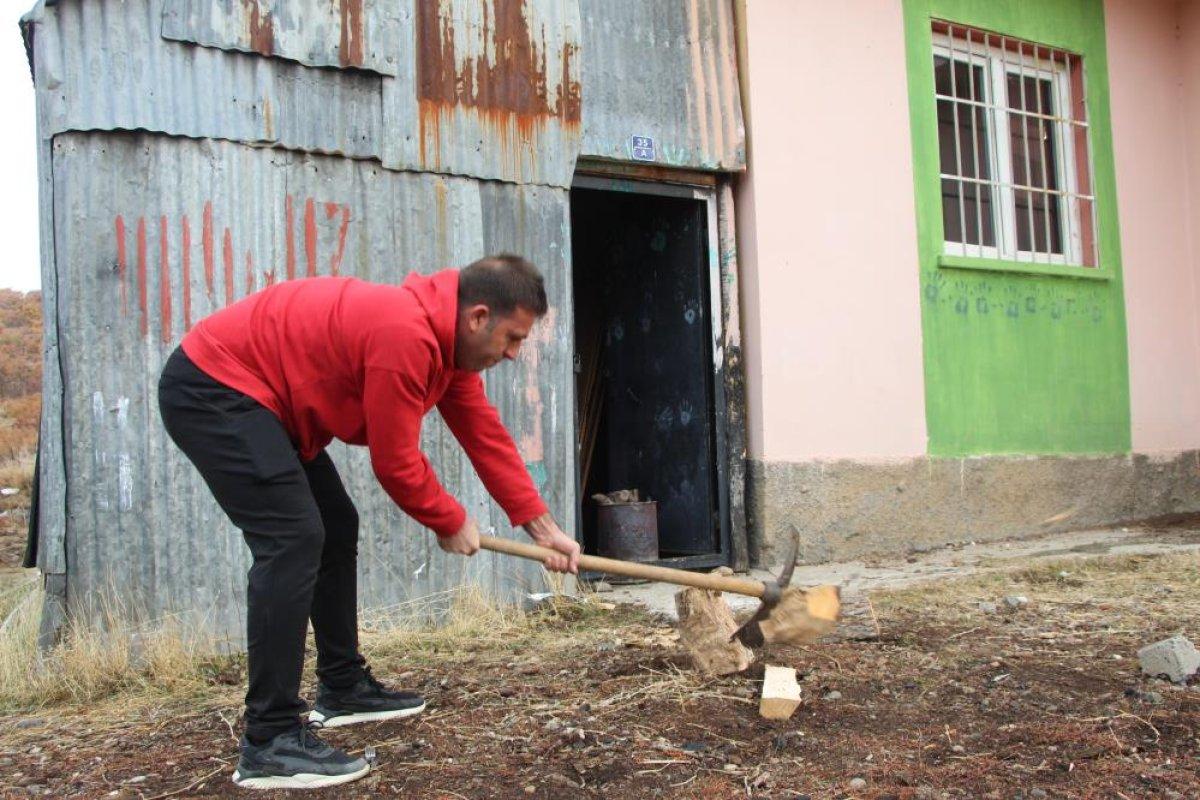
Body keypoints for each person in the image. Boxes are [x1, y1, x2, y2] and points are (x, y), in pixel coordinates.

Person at [157, 254, 581, 790]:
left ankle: (342, 687)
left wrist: (544, 532)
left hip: (265, 403)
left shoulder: (448, 349)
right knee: (292, 538)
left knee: (334, 524)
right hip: (215, 389)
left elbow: (485, 436)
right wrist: (448, 519)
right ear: (477, 317)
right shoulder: (404, 335)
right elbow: (396, 462)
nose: (515, 353)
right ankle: (268, 739)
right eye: (513, 338)